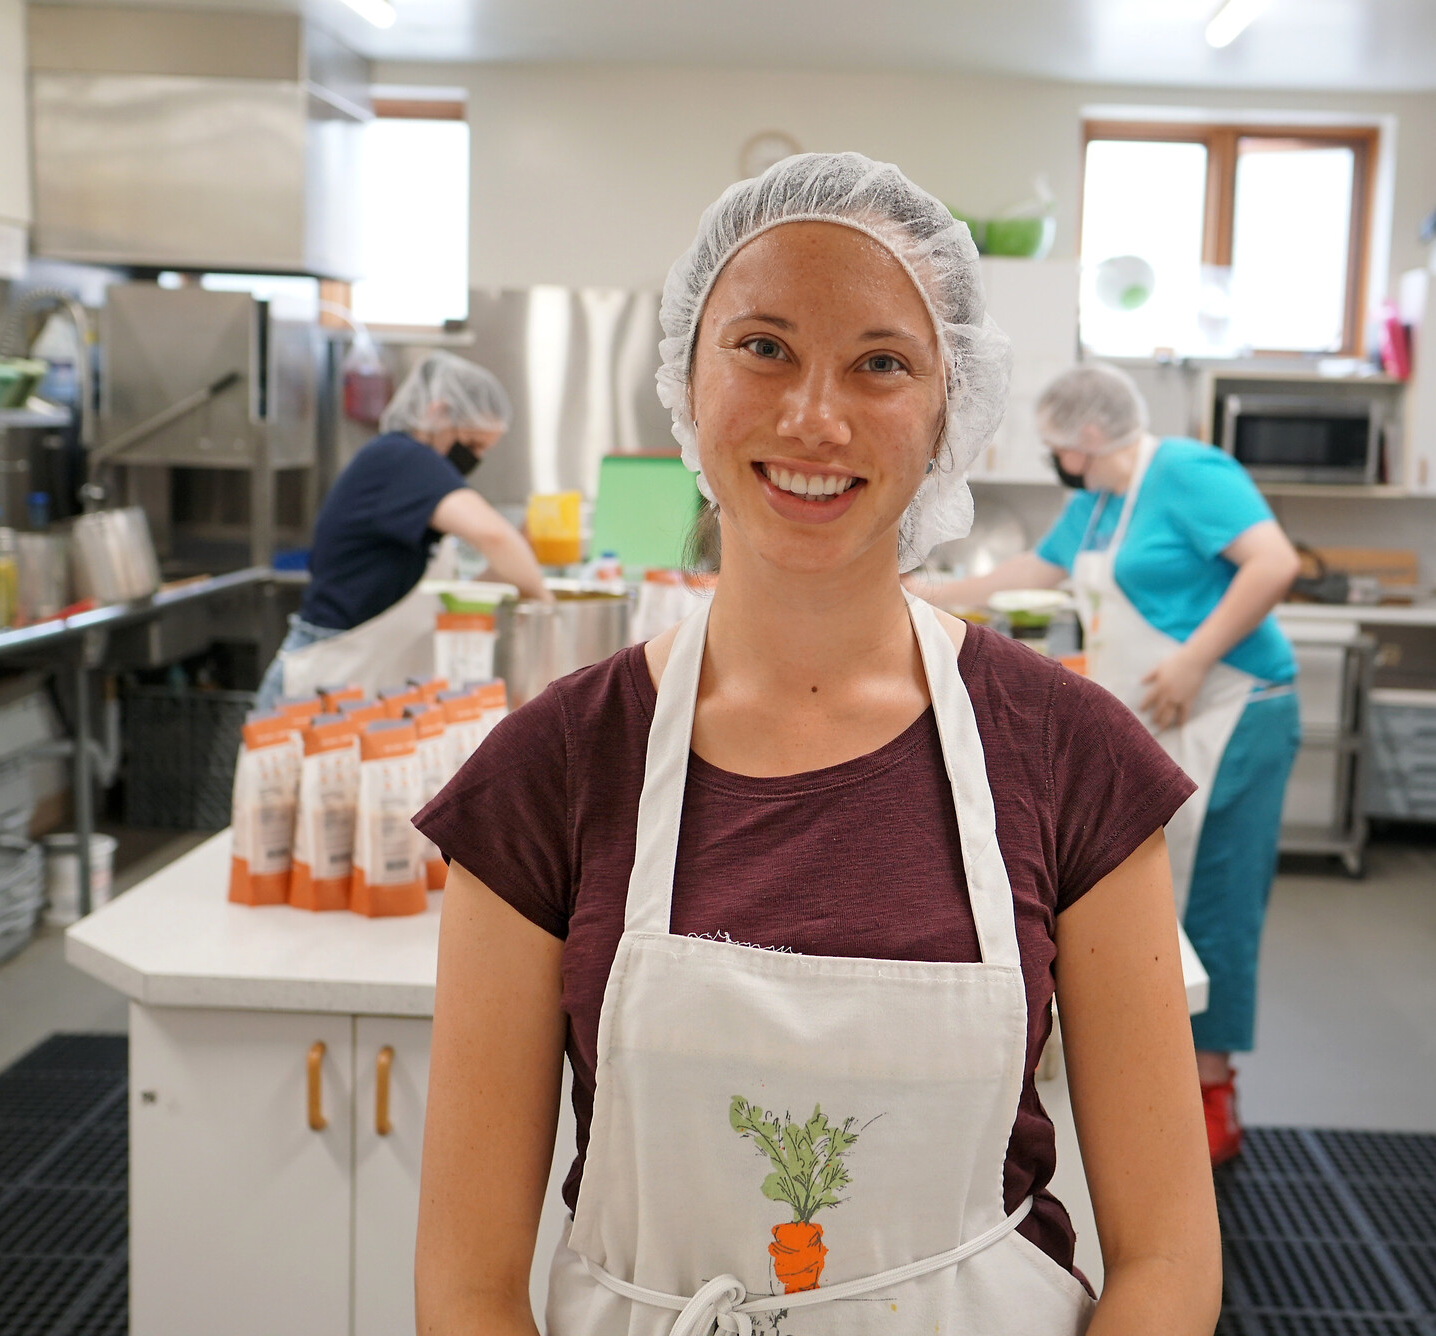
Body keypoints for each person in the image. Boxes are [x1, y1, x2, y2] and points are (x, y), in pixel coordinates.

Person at [414, 154, 1221, 1335]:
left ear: (950, 408)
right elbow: (467, 1287)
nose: (814, 417)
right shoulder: (553, 768)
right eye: (763, 347)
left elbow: (1165, 1263)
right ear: (686, 377)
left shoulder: (1066, 754)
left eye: (881, 362)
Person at [920, 363, 1302, 1166]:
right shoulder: (1096, 505)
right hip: (1170, 715)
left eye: (1057, 438)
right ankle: (1167, 1076)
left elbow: (1274, 564)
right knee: (1167, 889)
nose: (1053, 451)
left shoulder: (1191, 473)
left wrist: (1196, 660)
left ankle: (1214, 1092)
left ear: (1087, 433)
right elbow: (1034, 572)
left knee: (1219, 900)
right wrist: (927, 592)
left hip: (1236, 707)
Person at [253, 352, 549, 711]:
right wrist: (547, 609)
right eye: (470, 444)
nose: (472, 460)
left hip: (359, 677)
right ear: (438, 413)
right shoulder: (403, 458)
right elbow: (495, 537)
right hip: (325, 674)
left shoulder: (408, 475)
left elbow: (448, 596)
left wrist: (513, 565)